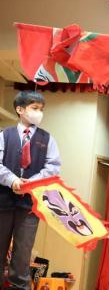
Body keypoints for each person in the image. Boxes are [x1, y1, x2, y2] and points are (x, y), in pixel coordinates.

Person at [0, 91, 61, 290]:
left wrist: (30, 183)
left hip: (29, 206)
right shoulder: (4, 135)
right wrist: (13, 181)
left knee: (22, 255)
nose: (39, 113)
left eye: (41, 109)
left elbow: (53, 167)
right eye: (34, 108)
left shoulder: (47, 139)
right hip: (3, 203)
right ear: (20, 109)